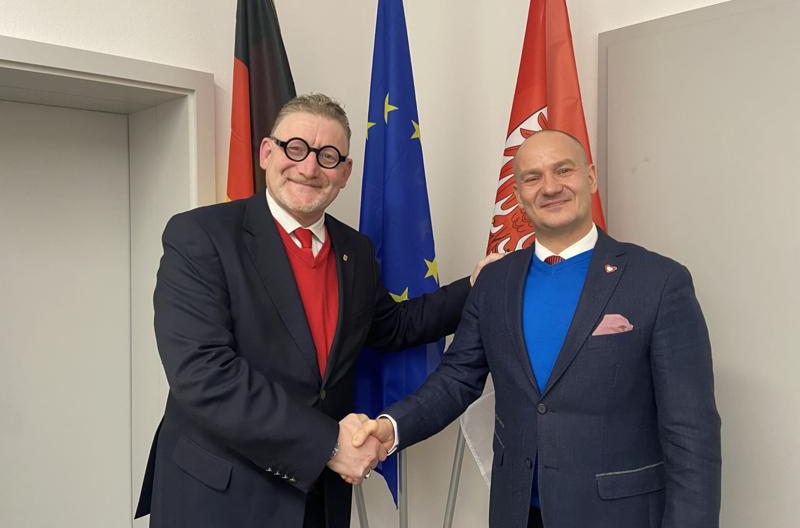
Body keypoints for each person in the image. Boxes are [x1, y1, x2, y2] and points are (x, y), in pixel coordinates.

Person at [135, 93, 499, 528]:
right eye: (295, 149)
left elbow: (392, 327)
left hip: (317, 499)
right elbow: (204, 375)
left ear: (345, 172)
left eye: (327, 156)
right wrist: (330, 445)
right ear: (266, 153)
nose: (308, 168)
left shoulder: (354, 250)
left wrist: (475, 287)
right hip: (220, 497)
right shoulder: (201, 235)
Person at [353, 129, 721, 528]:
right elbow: (456, 379)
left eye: (563, 170)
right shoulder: (494, 282)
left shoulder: (659, 281)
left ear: (590, 177)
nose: (550, 187)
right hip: (517, 513)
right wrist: (390, 428)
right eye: (533, 177)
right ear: (518, 193)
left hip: (618, 515)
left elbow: (691, 431)